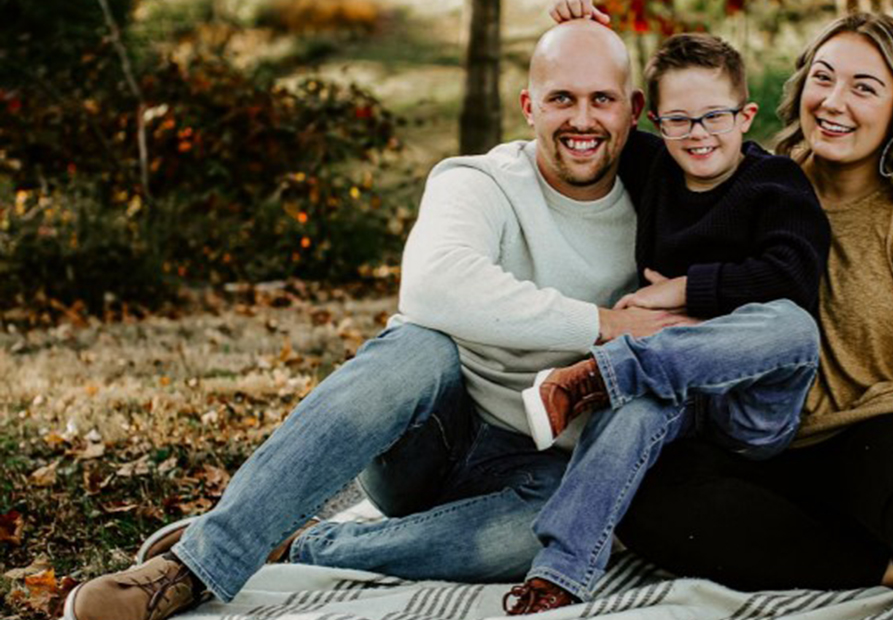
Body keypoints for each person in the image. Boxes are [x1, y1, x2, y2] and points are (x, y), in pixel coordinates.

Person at [63, 20, 694, 620]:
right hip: (428, 438)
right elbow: (433, 285)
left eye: (601, 100)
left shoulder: (665, 205)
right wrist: (604, 322)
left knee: (585, 524)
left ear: (634, 110)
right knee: (418, 347)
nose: (582, 120)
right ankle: (194, 565)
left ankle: (306, 547)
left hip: (537, 471)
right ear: (528, 106)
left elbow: (733, 159)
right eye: (561, 98)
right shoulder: (479, 181)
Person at [549, 5, 893, 620]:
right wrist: (587, 34)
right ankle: (881, 564)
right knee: (650, 502)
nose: (834, 102)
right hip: (762, 434)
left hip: (873, 428)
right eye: (823, 78)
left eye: (864, 87)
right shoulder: (754, 180)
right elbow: (638, 123)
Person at [504, 33, 830, 613]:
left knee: (792, 325)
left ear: (745, 115)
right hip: (665, 390)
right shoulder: (653, 165)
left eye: (715, 117)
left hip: (749, 405)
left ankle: (600, 375)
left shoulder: (776, 184)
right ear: (651, 121)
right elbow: (587, 118)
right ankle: (556, 576)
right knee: (637, 406)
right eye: (678, 120)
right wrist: (583, 25)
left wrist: (680, 291)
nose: (698, 133)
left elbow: (791, 279)